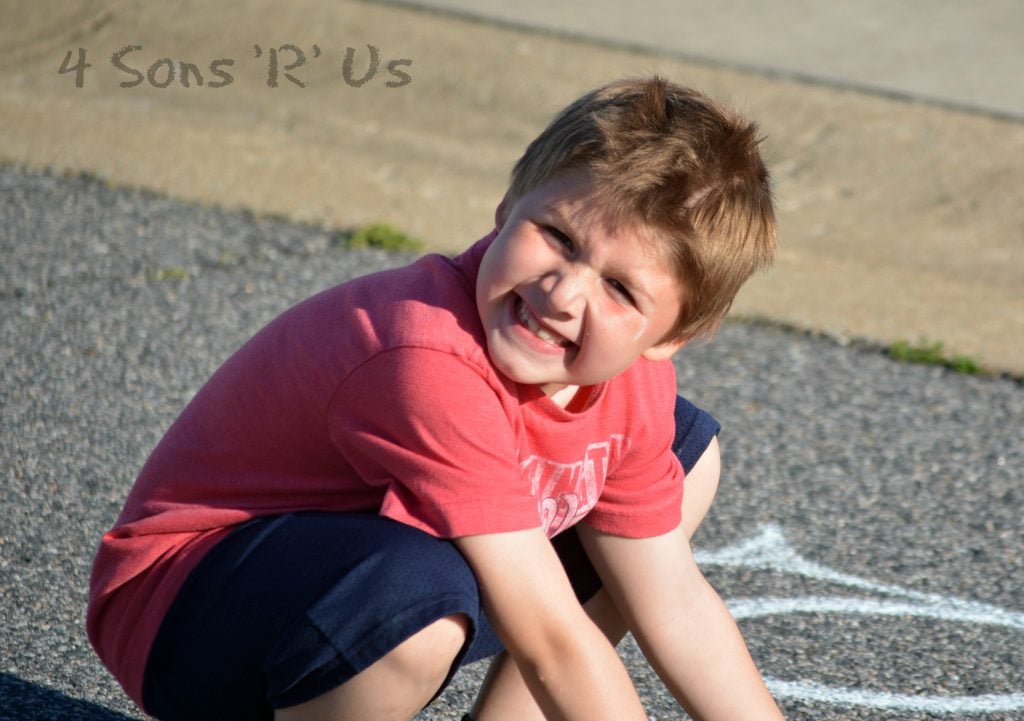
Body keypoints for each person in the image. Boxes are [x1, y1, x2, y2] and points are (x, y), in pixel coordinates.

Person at [87, 76, 784, 720]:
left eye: (621, 289)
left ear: (677, 334)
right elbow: (550, 636)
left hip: (344, 574)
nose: (563, 294)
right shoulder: (427, 357)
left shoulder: (633, 382)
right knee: (412, 600)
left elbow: (676, 604)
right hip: (185, 610)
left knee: (683, 452)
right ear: (508, 206)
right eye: (557, 236)